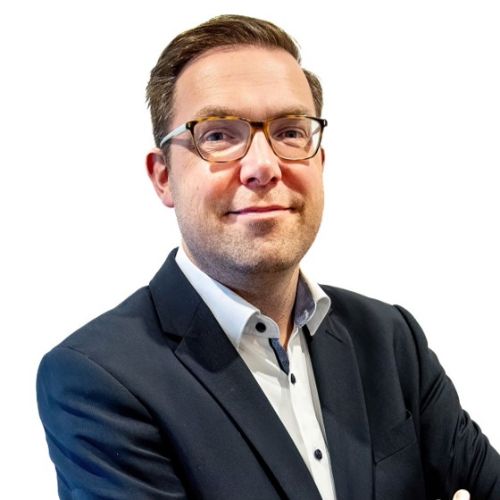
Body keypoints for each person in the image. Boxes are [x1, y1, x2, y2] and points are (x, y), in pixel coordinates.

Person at [37, 14, 498, 500]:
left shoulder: (390, 339)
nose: (263, 166)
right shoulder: (97, 378)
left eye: (291, 132)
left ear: (320, 162)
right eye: (218, 135)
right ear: (164, 177)